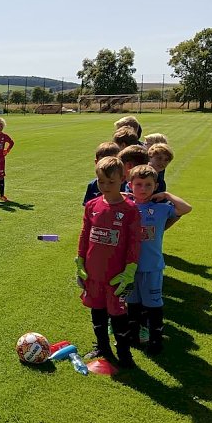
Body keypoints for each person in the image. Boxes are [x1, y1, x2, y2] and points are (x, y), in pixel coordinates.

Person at [75, 156, 142, 368]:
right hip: (93, 273)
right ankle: (102, 347)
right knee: (97, 312)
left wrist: (130, 269)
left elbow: (134, 243)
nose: (105, 187)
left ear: (123, 179)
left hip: (116, 276)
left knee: (119, 315)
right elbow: (85, 234)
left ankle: (125, 355)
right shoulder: (92, 205)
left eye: (110, 182)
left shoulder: (130, 209)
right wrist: (80, 261)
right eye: (101, 182)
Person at [126, 164, 192, 355]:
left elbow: (186, 208)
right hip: (129, 268)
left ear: (156, 186)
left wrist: (168, 195)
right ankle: (133, 336)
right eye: (138, 184)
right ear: (130, 185)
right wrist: (124, 196)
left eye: (148, 185)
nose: (143, 189)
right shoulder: (125, 207)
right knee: (133, 305)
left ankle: (155, 340)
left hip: (151, 267)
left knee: (153, 305)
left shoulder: (161, 208)